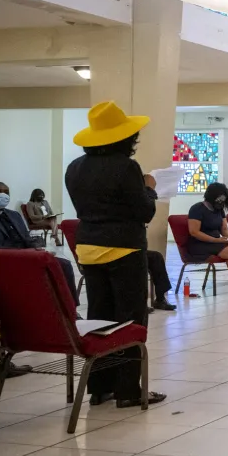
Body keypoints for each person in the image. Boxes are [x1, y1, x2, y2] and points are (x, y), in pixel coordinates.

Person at [63, 100, 166, 409]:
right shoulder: (127, 167)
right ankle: (128, 390)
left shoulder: (75, 168)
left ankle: (100, 387)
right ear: (124, 137)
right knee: (131, 320)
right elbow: (144, 212)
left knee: (101, 318)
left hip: (88, 248)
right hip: (124, 249)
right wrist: (149, 188)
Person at [0, 182, 79, 307]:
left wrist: (37, 248)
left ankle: (71, 309)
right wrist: (21, 254)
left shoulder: (14, 215)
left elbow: (26, 238)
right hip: (3, 259)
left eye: (6, 192)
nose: (3, 195)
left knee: (64, 264)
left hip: (24, 255)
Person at [187, 182, 228, 276]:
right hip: (200, 245)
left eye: (223, 201)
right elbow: (194, 232)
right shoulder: (197, 209)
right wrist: (216, 240)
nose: (221, 203)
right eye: (219, 200)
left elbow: (224, 229)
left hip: (216, 243)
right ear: (211, 197)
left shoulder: (219, 210)